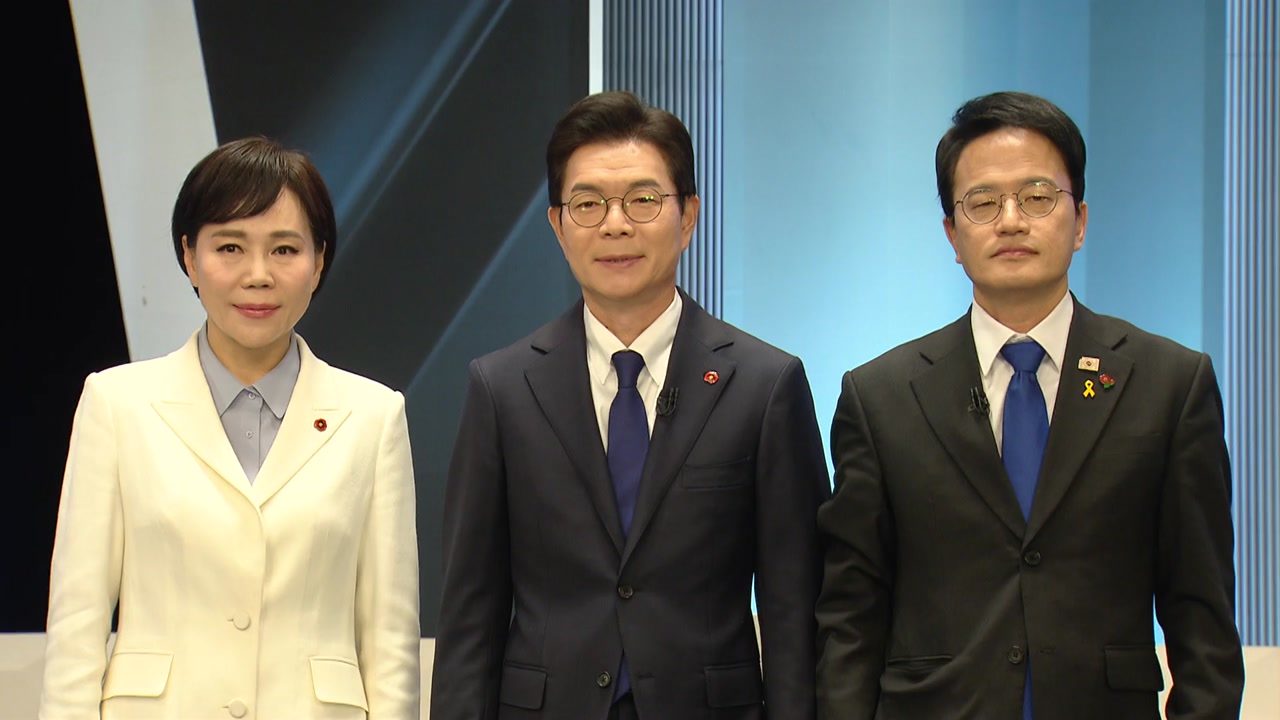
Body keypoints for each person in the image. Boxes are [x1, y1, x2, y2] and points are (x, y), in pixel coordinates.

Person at [815, 90, 1245, 720]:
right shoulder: (880, 397)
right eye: (983, 202)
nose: (1011, 220)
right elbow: (850, 620)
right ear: (951, 233)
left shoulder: (1170, 385)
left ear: (1081, 221)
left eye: (1038, 197)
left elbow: (1202, 618)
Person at [432, 91, 830, 720]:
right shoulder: (502, 387)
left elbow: (794, 608)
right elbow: (469, 614)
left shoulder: (765, 384)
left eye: (643, 200)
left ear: (688, 215)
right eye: (588, 204)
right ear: (558, 225)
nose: (615, 225)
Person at [40, 137, 421, 719]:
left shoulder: (373, 416)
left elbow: (390, 640)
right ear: (190, 257)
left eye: (285, 249)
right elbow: (77, 625)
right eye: (230, 247)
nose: (258, 275)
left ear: (319, 261)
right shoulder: (117, 404)